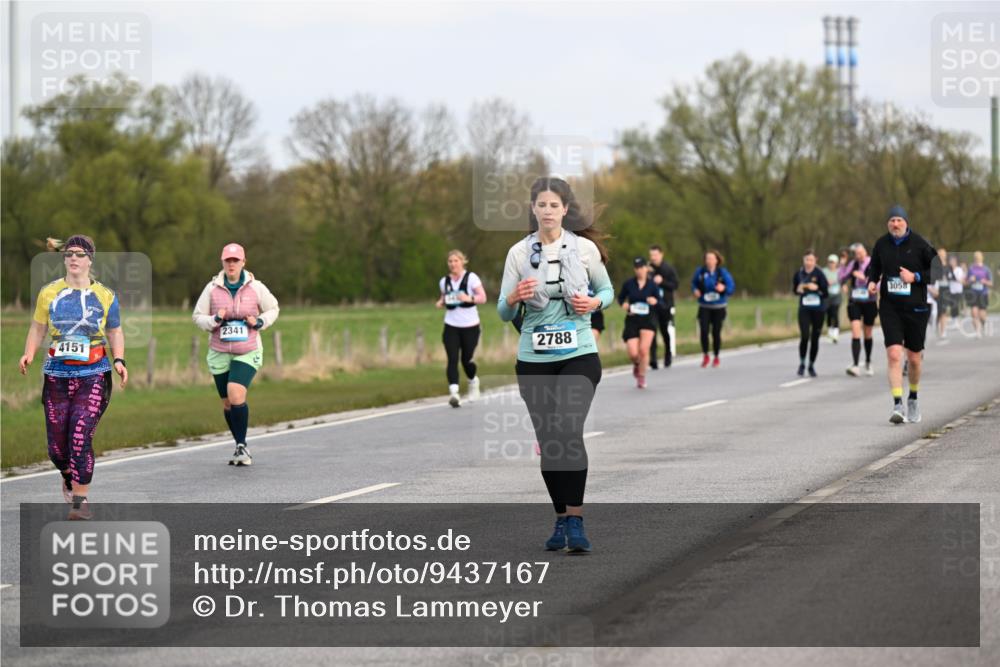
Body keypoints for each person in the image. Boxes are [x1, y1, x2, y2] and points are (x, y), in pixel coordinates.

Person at [497, 177, 612, 554]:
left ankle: (576, 520)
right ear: (533, 209)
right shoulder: (518, 253)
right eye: (541, 205)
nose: (547, 211)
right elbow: (502, 312)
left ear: (565, 210)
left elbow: (607, 290)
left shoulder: (584, 249)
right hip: (534, 359)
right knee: (550, 442)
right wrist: (514, 297)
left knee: (567, 430)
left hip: (579, 353)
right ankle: (561, 517)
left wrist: (594, 304)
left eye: (554, 205)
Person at [19, 235, 128, 520]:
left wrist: (119, 359)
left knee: (80, 437)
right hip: (56, 375)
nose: (74, 258)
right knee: (57, 449)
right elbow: (37, 328)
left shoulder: (105, 295)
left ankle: (80, 502)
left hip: (93, 374)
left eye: (80, 254)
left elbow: (115, 330)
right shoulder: (49, 293)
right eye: (69, 254)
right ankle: (68, 475)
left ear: (90, 259)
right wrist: (29, 353)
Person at [192, 243, 280, 466]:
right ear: (222, 262)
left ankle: (242, 447)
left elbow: (273, 308)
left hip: (247, 350)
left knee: (236, 393)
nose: (231, 264)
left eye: (235, 260)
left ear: (243, 262)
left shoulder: (256, 287)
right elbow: (197, 316)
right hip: (219, 351)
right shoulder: (212, 288)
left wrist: (259, 321)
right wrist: (214, 320)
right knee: (228, 404)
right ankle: (240, 445)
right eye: (228, 260)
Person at [866, 205, 937, 424]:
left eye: (899, 220)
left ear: (906, 222)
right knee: (894, 354)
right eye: (892, 220)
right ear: (887, 223)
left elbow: (938, 271)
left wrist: (915, 277)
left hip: (916, 308)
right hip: (890, 308)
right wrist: (871, 281)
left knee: (914, 358)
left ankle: (913, 397)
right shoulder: (881, 244)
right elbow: (874, 267)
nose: (895, 224)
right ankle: (897, 404)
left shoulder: (920, 244)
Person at [436, 250, 487, 407]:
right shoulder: (444, 281)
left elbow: (483, 298)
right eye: (450, 261)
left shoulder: (471, 278)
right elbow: (444, 297)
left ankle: (473, 381)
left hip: (470, 326)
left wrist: (468, 298)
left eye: (456, 261)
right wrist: (440, 302)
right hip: (451, 325)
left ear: (462, 261)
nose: (453, 264)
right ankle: (454, 393)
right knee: (452, 359)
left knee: (466, 360)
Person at [617, 257, 659, 388]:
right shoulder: (629, 284)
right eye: (636, 268)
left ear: (646, 268)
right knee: (633, 352)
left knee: (643, 350)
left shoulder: (652, 285)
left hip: (648, 319)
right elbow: (620, 298)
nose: (639, 270)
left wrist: (655, 301)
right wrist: (623, 304)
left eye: (641, 267)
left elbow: (660, 301)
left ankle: (641, 376)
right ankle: (637, 363)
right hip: (632, 319)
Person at [691, 250, 735, 367]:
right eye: (707, 259)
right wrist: (695, 290)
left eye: (711, 258)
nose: (709, 261)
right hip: (704, 306)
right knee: (704, 331)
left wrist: (724, 288)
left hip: (718, 307)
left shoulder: (722, 273)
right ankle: (705, 354)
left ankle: (716, 356)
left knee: (716, 332)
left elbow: (731, 287)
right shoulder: (700, 272)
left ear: (717, 260)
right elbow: (694, 283)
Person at [839, 243, 877, 377]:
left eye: (861, 252)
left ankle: (868, 362)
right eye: (857, 254)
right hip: (855, 301)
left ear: (865, 252)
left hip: (869, 302)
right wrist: (842, 266)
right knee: (855, 331)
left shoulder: (873, 263)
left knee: (867, 333)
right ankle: (855, 365)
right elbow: (842, 277)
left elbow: (878, 283)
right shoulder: (853, 264)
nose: (859, 255)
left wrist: (864, 278)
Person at [793, 250, 830, 376]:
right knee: (804, 336)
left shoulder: (820, 274)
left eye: (811, 260)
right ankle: (802, 363)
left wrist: (817, 288)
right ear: (803, 260)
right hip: (804, 309)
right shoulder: (799, 273)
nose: (808, 262)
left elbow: (826, 293)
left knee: (815, 338)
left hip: (818, 310)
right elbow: (795, 290)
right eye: (806, 260)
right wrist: (802, 287)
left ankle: (811, 365)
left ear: (815, 261)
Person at [647, 245, 679, 369]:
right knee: (652, 331)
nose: (653, 257)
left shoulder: (668, 269)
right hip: (651, 306)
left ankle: (668, 354)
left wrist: (662, 281)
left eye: (655, 255)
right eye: (651, 255)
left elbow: (675, 285)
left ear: (661, 254)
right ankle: (653, 358)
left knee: (664, 330)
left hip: (665, 304)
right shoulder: (648, 269)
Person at [966, 251, 993, 339]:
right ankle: (977, 331)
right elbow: (966, 281)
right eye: (976, 258)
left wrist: (985, 281)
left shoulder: (986, 269)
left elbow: (991, 283)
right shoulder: (971, 268)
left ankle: (983, 324)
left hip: (983, 293)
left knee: (982, 315)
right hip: (973, 294)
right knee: (974, 313)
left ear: (982, 258)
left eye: (978, 258)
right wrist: (970, 280)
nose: (977, 259)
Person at [929, 248, 953, 338]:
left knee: (944, 310)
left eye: (943, 254)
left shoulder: (949, 266)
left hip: (946, 290)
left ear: (946, 255)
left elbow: (953, 277)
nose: (942, 256)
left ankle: (943, 331)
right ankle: (937, 326)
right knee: (938, 311)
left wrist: (948, 278)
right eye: (940, 254)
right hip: (936, 290)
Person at [821, 253, 843, 343]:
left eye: (833, 262)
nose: (831, 264)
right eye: (830, 262)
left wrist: (842, 285)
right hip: (826, 295)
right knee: (828, 314)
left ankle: (836, 333)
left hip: (836, 295)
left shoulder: (839, 271)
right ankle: (830, 331)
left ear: (836, 263)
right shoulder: (824, 271)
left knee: (835, 313)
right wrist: (826, 282)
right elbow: (820, 280)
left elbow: (843, 280)